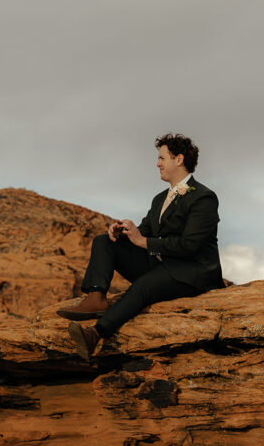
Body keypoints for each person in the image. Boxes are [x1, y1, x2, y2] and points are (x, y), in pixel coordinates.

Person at [58, 133, 223, 359]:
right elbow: (145, 230)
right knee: (104, 241)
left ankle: (95, 334)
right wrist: (124, 231)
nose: (158, 163)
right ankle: (96, 297)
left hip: (193, 272)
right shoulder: (159, 199)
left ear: (179, 159)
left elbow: (190, 245)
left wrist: (143, 241)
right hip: (162, 266)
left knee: (142, 287)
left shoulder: (204, 197)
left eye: (162, 158)